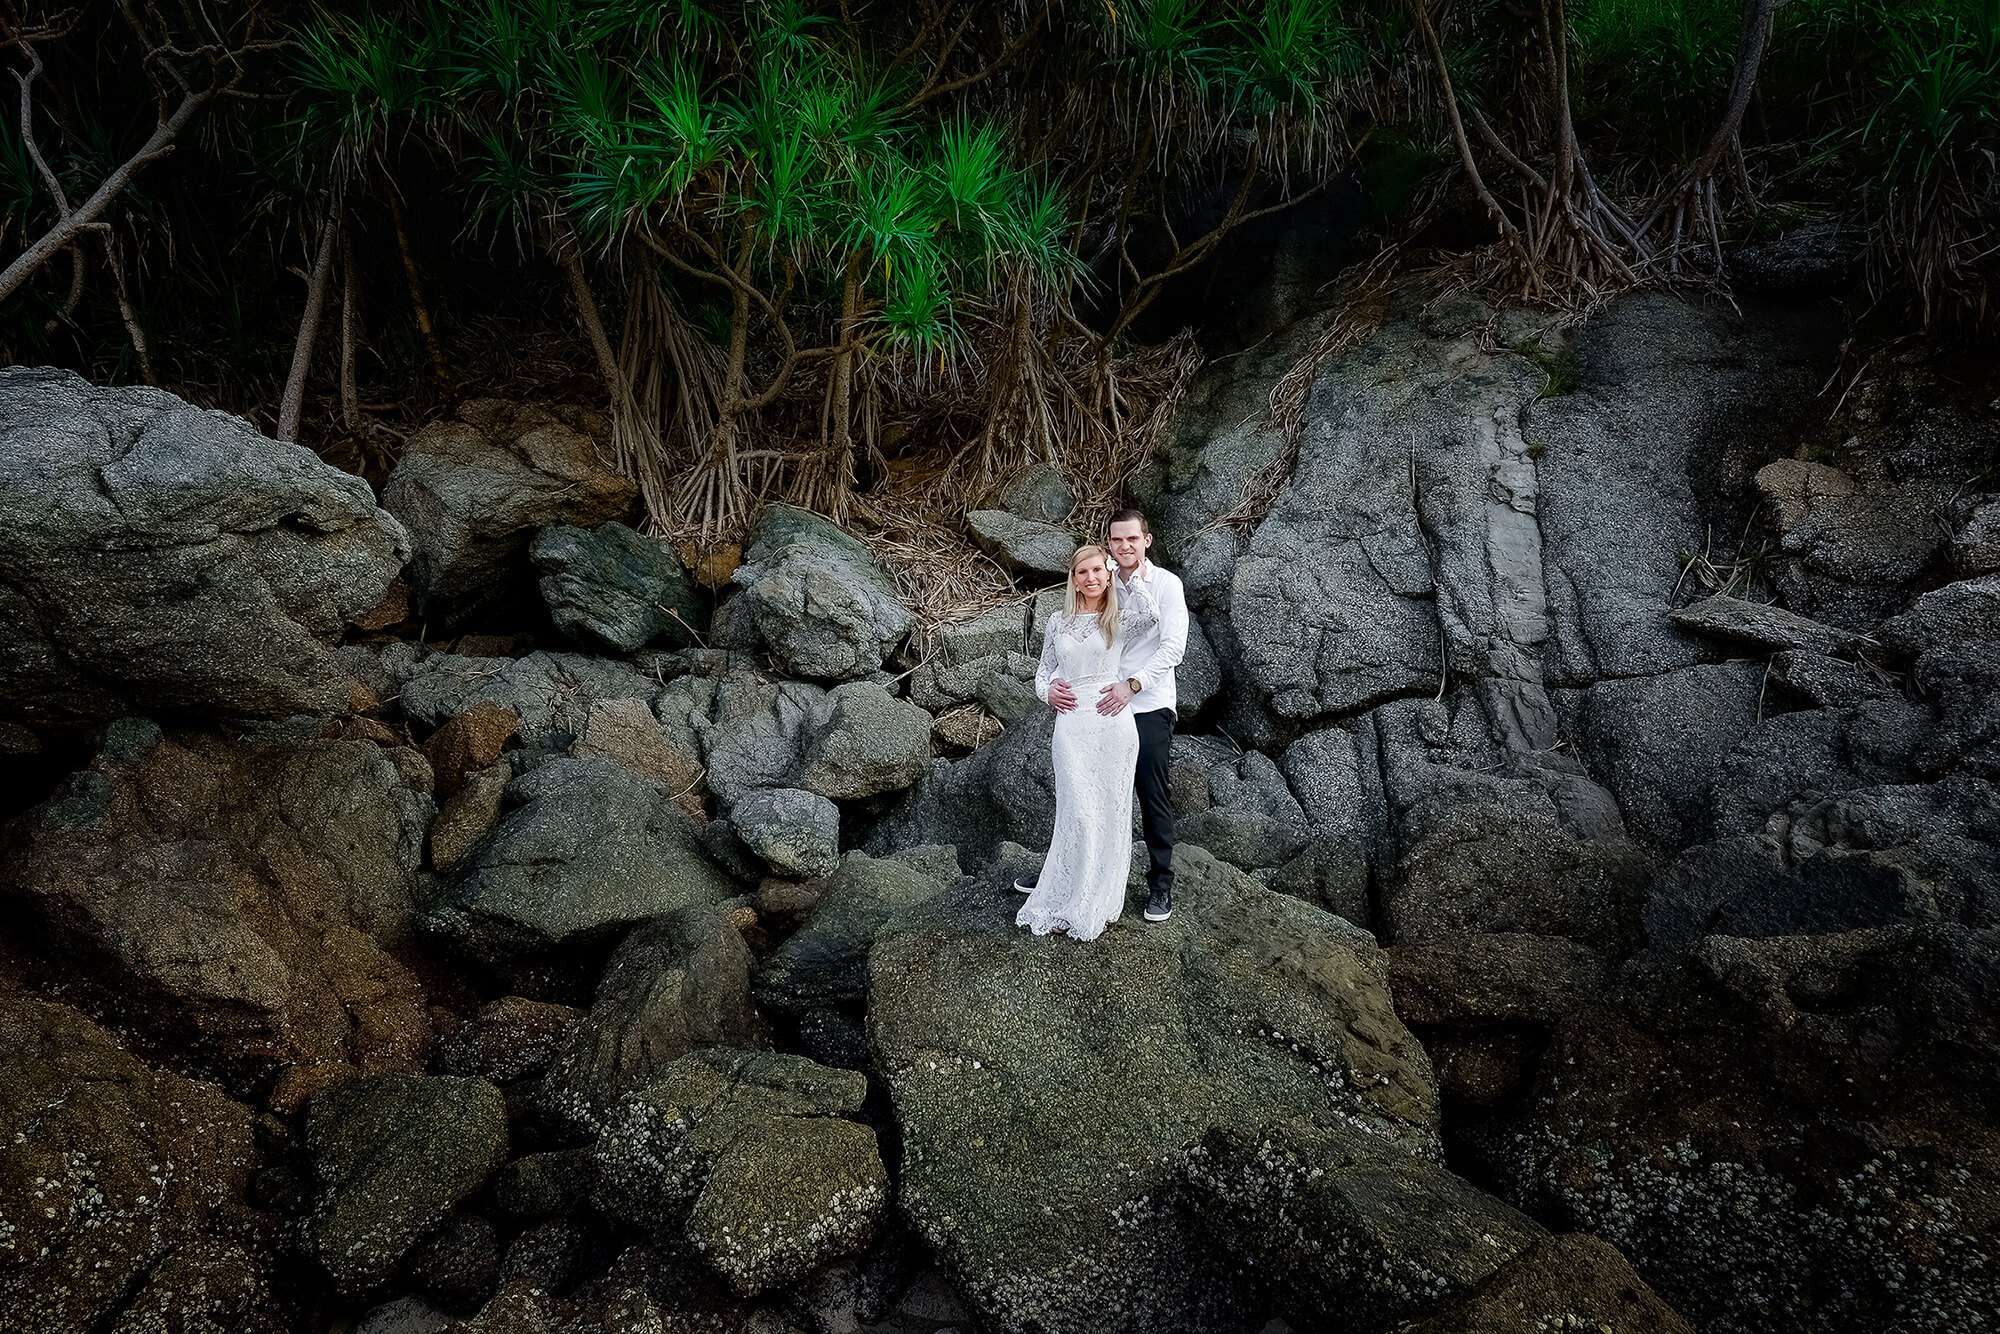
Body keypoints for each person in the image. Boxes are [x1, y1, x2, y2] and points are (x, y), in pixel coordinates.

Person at [1014, 544, 1159, 940]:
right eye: (1083, 572)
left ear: (1106, 574)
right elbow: (1043, 673)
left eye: (1098, 570)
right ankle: (1067, 894)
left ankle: (1096, 899)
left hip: (1111, 723)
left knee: (1109, 810)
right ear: (1074, 580)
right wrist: (1047, 693)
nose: (1091, 578)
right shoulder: (1057, 623)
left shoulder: (1119, 618)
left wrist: (1128, 571)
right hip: (1072, 726)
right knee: (1077, 810)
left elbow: (1151, 615)